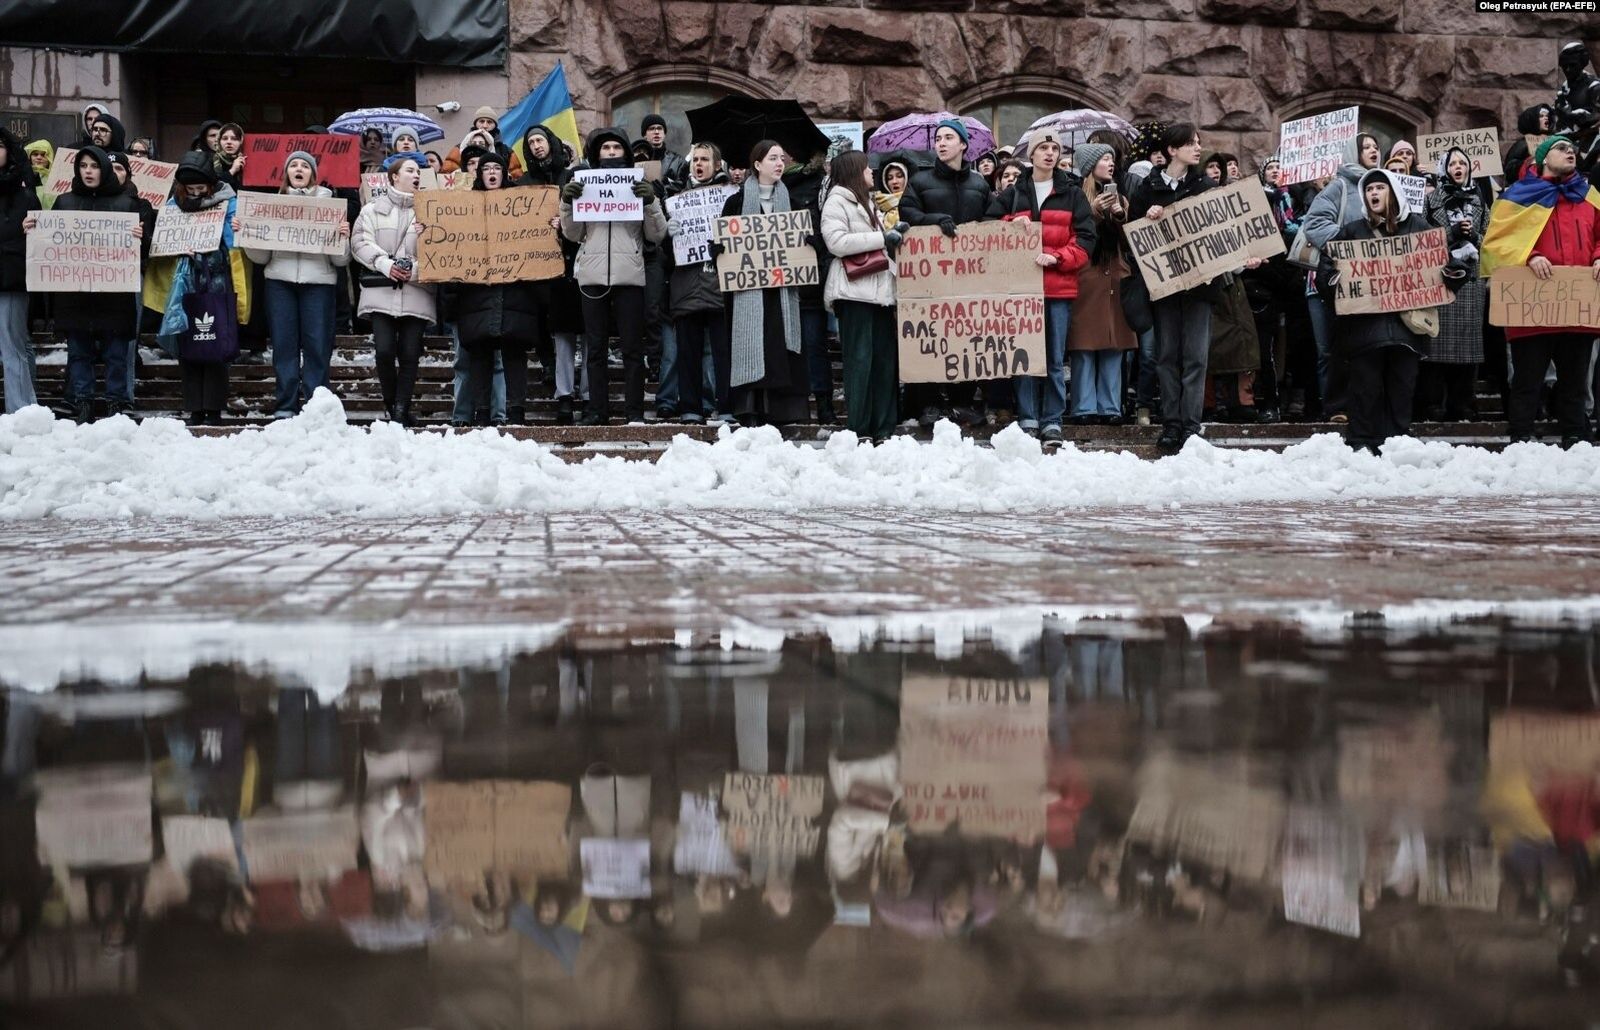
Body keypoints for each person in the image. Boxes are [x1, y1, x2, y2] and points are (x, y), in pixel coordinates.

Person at [1130, 123, 1262, 452]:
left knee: (1195, 358)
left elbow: (1223, 233)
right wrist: (1148, 218)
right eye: (1190, 143)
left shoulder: (1205, 186)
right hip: (1165, 288)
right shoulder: (1147, 188)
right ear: (1172, 150)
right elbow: (1131, 235)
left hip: (1201, 288)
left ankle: (1190, 425)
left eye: (1199, 143)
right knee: (1166, 356)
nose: (1198, 148)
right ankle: (1171, 424)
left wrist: (1244, 259)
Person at [1317, 170, 1453, 454]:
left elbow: (1442, 264)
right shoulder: (1352, 231)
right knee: (1365, 389)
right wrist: (1334, 282)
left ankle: (1397, 443)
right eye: (1369, 190)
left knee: (1402, 387)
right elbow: (1327, 267)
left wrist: (1454, 272)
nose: (1374, 194)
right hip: (1365, 332)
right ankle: (1362, 444)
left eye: (1380, 187)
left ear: (1393, 191)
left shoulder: (1418, 228)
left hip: (1406, 331)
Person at [1483, 135, 1600, 446]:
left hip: (1577, 309)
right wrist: (1529, 257)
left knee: (1575, 380)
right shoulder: (1516, 197)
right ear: (1544, 158)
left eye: (1573, 149)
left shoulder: (1590, 196)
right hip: (1531, 311)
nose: (1570, 152)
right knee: (1526, 380)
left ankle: (1576, 435)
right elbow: (1496, 245)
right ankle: (1520, 436)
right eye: (1561, 148)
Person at [23, 146, 145, 423]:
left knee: (116, 353)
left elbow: (144, 251)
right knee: (79, 352)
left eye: (94, 165)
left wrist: (141, 235)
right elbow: (48, 242)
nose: (89, 171)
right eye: (83, 166)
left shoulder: (126, 204)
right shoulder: (64, 202)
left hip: (114, 295)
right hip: (75, 295)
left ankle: (116, 403)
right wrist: (33, 228)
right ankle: (83, 402)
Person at [988, 130, 1095, 441]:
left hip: (1058, 289)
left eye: (1054, 148)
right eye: (1043, 148)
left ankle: (1052, 419)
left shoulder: (1072, 193)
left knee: (1052, 358)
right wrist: (1009, 225)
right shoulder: (1014, 193)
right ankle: (1027, 417)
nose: (1049, 153)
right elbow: (986, 230)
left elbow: (1086, 239)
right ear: (1030, 156)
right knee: (1023, 356)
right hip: (1021, 291)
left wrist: (1058, 258)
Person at [559, 126, 664, 425]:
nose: (611, 153)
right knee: (595, 349)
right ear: (597, 154)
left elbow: (656, 235)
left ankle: (634, 411)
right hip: (592, 275)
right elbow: (573, 234)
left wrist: (650, 202)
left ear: (626, 154)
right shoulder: (585, 185)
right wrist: (568, 203)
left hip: (629, 275)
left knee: (632, 347)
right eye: (606, 149)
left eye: (617, 149)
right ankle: (598, 411)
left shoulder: (639, 185)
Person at [240, 151, 351, 418]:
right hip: (279, 282)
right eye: (293, 165)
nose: (299, 169)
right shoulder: (272, 205)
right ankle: (286, 405)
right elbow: (260, 257)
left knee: (317, 345)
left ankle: (315, 405)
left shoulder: (330, 206)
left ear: (313, 174)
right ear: (286, 173)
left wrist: (341, 237)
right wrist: (248, 233)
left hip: (319, 283)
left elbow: (341, 260)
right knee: (284, 345)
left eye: (305, 166)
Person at [898, 118, 993, 427]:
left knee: (966, 337)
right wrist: (934, 219)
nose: (941, 143)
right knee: (930, 338)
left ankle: (963, 401)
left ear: (963, 145)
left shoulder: (979, 183)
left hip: (969, 277)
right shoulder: (920, 181)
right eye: (938, 138)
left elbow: (990, 220)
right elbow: (907, 213)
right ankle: (927, 402)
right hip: (930, 279)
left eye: (949, 137)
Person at [144, 151, 246, 426]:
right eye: (191, 190)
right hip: (185, 283)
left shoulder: (229, 203)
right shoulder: (174, 206)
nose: (197, 193)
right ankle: (194, 407)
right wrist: (176, 246)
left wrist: (236, 228)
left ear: (212, 185)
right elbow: (162, 241)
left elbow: (236, 244)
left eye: (202, 189)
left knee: (216, 343)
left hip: (217, 280)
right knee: (189, 343)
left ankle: (213, 407)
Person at [716, 139, 810, 425]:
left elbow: (801, 248)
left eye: (782, 158)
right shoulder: (735, 203)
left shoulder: (792, 203)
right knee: (753, 345)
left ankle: (781, 411)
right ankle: (750, 409)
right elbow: (725, 244)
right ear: (757, 165)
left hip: (782, 292)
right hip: (749, 293)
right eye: (772, 158)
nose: (780, 163)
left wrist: (808, 244)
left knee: (780, 348)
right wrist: (718, 248)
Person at [1300, 129, 1383, 424]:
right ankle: (1338, 407)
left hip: (1379, 279)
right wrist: (1348, 240)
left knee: (1374, 343)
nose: (1374, 151)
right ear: (1353, 153)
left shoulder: (1385, 185)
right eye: (1366, 147)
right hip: (1345, 277)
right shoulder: (1339, 186)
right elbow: (1315, 222)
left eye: (1376, 146)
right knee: (1342, 343)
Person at [821, 149, 905, 444]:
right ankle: (861, 428)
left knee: (884, 363)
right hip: (854, 293)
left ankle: (884, 427)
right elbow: (836, 242)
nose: (872, 172)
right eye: (867, 168)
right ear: (855, 171)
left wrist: (895, 233)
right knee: (859, 362)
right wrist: (883, 237)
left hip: (881, 293)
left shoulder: (870, 203)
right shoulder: (836, 202)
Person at [352, 155, 436, 426]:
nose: (416, 175)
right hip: (381, 291)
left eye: (419, 171)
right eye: (410, 170)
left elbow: (442, 251)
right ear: (394, 176)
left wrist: (413, 270)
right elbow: (360, 242)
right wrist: (385, 265)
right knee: (385, 351)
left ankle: (401, 409)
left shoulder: (432, 210)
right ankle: (392, 406)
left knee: (411, 354)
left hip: (416, 292)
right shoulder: (371, 210)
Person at [454, 152, 535, 425]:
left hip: (514, 292)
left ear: (503, 173)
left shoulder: (522, 206)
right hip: (478, 292)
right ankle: (481, 412)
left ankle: (516, 411)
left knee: (514, 354)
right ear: (479, 174)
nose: (491, 172)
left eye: (496, 167)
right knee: (479, 354)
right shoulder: (464, 206)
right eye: (486, 167)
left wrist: (550, 227)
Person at [517, 123, 584, 424]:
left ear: (551, 143)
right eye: (531, 142)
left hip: (572, 263)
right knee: (547, 320)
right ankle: (552, 370)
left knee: (573, 327)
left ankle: (580, 389)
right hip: (538, 262)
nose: (536, 146)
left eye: (540, 140)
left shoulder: (570, 177)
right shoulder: (524, 182)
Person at [1065, 142, 1136, 425]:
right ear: (1089, 166)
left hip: (1115, 278)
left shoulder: (1121, 197)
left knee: (1113, 344)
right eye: (1105, 159)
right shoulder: (1075, 197)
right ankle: (1083, 407)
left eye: (1111, 159)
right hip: (1087, 278)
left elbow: (1128, 241)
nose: (1111, 164)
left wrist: (1119, 214)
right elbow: (1076, 236)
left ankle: (1110, 407)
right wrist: (1093, 212)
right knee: (1083, 345)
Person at [665, 142, 732, 424]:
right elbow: (666, 255)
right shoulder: (676, 198)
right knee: (688, 351)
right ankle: (689, 406)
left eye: (705, 159)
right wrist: (669, 236)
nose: (699, 164)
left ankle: (727, 405)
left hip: (719, 286)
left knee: (724, 352)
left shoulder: (731, 198)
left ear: (717, 165)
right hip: (687, 286)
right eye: (695, 160)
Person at [1418, 147, 1488, 422]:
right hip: (1442, 278)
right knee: (1436, 347)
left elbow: (1489, 238)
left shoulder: (1480, 200)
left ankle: (1463, 404)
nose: (1458, 167)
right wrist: (1451, 233)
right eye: (1453, 163)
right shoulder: (1431, 200)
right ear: (1444, 168)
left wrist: (1475, 236)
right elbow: (1423, 239)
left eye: (1463, 163)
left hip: (1470, 281)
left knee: (1468, 348)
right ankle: (1433, 404)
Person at [0, 127, 41, 413]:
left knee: (12, 346)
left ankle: (21, 410)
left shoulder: (25, 196)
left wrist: (24, 232)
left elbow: (40, 240)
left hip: (10, 279)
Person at [441, 107, 522, 178]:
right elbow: (447, 175)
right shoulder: (460, 149)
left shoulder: (505, 151)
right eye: (481, 121)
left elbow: (517, 178)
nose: (485, 126)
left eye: (489, 122)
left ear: (495, 125)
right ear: (475, 124)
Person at [1505, 104, 1555, 183]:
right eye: (1541, 116)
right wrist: (1529, 162)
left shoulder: (1554, 140)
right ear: (1532, 120)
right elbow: (1510, 170)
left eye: (1547, 116)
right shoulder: (1523, 144)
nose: (1546, 118)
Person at [874, 159, 909, 229]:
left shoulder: (916, 203)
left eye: (899, 176)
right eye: (889, 178)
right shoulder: (875, 204)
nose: (894, 181)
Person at [24, 140, 54, 210]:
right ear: (30, 157)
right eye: (35, 154)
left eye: (43, 155)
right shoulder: (22, 177)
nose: (39, 157)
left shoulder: (56, 179)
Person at [215, 123, 246, 189]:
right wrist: (232, 170)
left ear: (241, 141)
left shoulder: (246, 160)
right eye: (225, 138)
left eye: (234, 139)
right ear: (219, 141)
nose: (229, 142)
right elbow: (214, 188)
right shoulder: (212, 160)